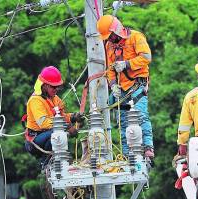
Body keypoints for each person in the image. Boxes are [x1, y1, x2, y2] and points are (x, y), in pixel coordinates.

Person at [96, 15, 154, 158]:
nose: (109, 39)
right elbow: (110, 69)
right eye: (107, 38)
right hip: (122, 88)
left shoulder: (135, 37)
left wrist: (126, 64)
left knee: (140, 116)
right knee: (123, 121)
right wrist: (113, 85)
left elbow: (146, 57)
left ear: (116, 30)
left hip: (137, 85)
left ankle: (147, 147)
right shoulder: (109, 46)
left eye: (110, 36)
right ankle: (127, 153)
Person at [24, 66, 84, 169]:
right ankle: (46, 163)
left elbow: (61, 116)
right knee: (57, 133)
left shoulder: (55, 98)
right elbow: (44, 123)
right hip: (36, 141)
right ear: (45, 86)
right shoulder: (36, 101)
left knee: (59, 133)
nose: (56, 90)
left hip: (47, 135)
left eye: (58, 87)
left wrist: (73, 117)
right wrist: (68, 126)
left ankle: (57, 160)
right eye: (53, 87)